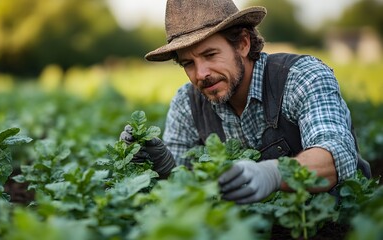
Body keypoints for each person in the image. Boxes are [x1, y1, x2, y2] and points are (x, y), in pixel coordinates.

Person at [120, 0, 371, 204]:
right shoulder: (187, 103)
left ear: (242, 43)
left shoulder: (300, 77)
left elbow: (338, 157)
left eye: (210, 54)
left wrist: (274, 174)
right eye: (188, 63)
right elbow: (182, 193)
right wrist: (164, 167)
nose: (201, 74)